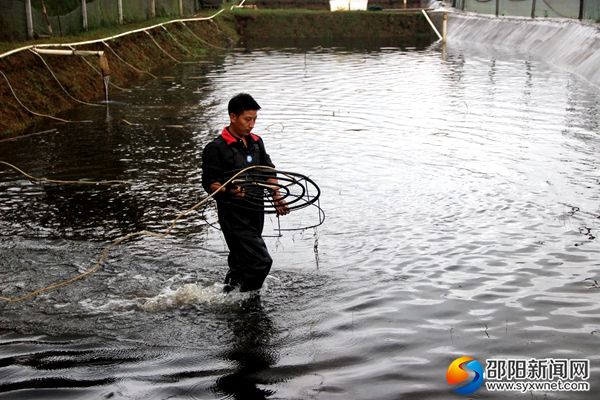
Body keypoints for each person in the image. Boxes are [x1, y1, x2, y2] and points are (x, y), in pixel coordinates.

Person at [202, 93, 289, 293]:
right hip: (233, 216)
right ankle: (247, 301)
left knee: (241, 261)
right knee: (261, 261)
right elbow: (210, 184)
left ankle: (227, 297)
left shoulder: (257, 142)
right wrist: (229, 191)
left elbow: (269, 171)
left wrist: (276, 195)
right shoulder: (215, 148)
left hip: (255, 210)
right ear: (233, 117)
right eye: (247, 119)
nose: (251, 124)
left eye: (254, 120)